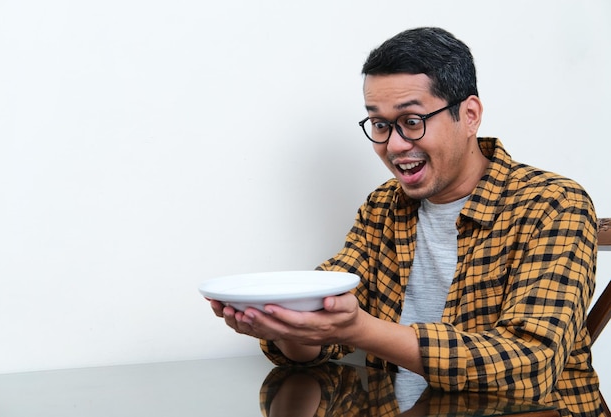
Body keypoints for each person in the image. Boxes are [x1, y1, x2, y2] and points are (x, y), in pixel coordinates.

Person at [208, 27, 603, 417]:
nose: (394, 145)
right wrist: (287, 325)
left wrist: (358, 330)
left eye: (412, 121)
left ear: (469, 116)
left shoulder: (551, 204)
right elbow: (321, 335)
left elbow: (531, 365)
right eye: (380, 125)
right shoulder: (384, 206)